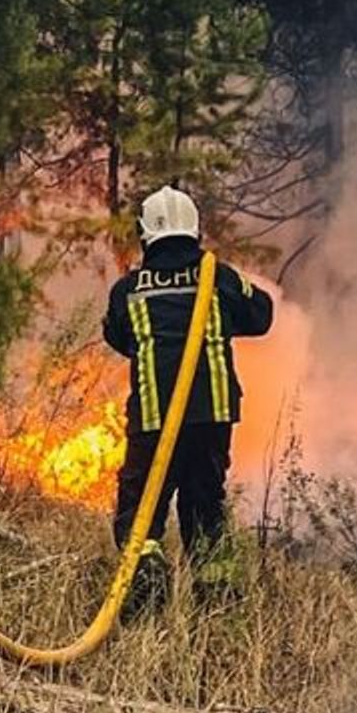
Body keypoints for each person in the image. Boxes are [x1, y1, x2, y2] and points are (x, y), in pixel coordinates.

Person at [103, 185, 273, 612]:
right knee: (205, 510)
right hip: (211, 419)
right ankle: (218, 606)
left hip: (154, 422)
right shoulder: (220, 279)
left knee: (140, 512)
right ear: (196, 233)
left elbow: (119, 337)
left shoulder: (128, 290)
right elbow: (262, 315)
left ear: (145, 236)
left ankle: (147, 583)